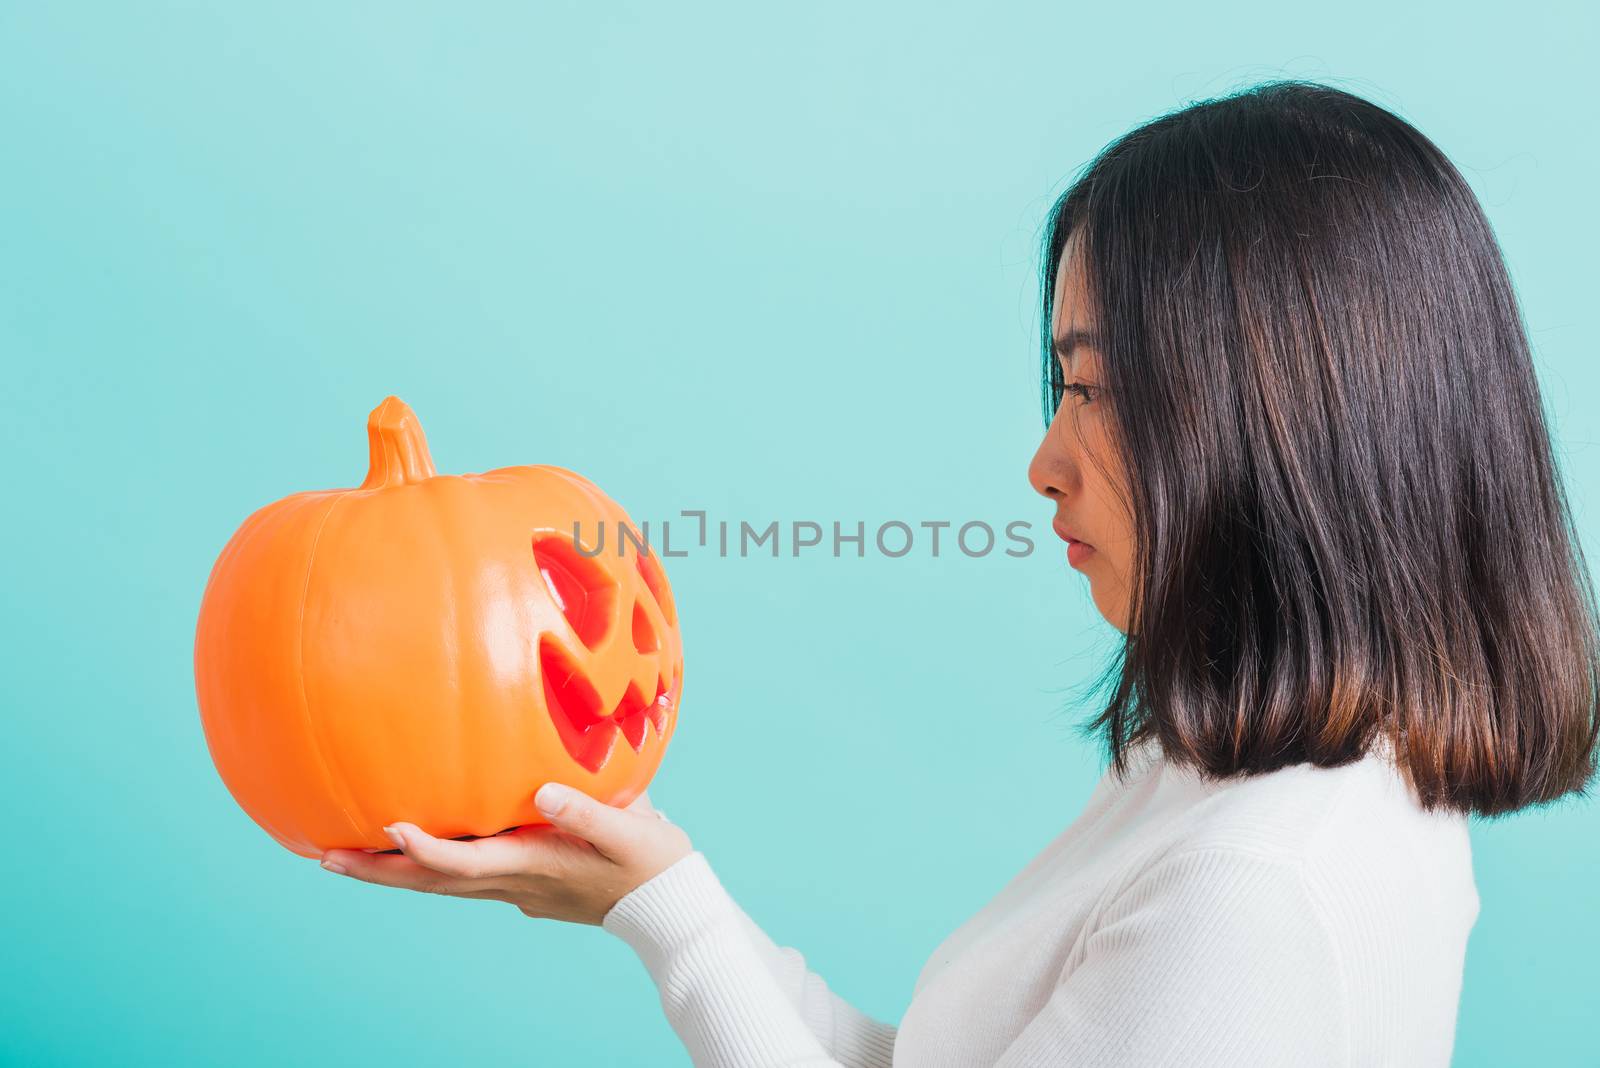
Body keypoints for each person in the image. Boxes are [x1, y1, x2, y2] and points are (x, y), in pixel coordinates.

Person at [316, 80, 1600, 1066]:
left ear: (1290, 424)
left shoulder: (1259, 887)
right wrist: (656, 900)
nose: (1045, 461)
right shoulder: (1216, 783)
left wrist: (663, 910)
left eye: (1096, 389)